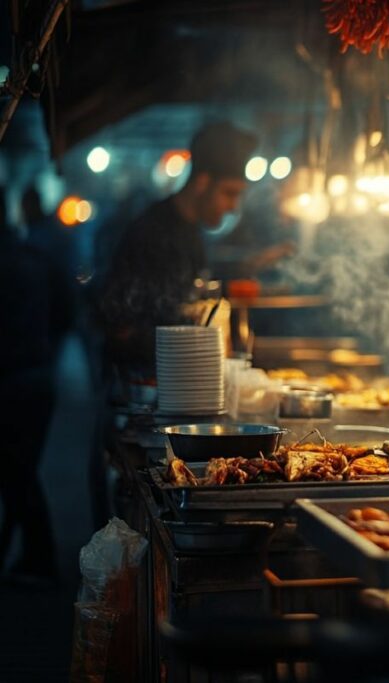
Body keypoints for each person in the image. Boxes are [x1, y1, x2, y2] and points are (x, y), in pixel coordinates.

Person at [97, 120, 259, 375]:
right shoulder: (150, 234)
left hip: (183, 383)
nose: (233, 207)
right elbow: (120, 330)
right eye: (229, 193)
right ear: (202, 183)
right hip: (145, 393)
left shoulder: (191, 232)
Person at [0, 188, 72, 582]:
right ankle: (33, 557)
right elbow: (65, 312)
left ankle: (37, 560)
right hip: (38, 375)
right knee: (21, 470)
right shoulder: (34, 257)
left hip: (12, 379)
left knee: (17, 472)